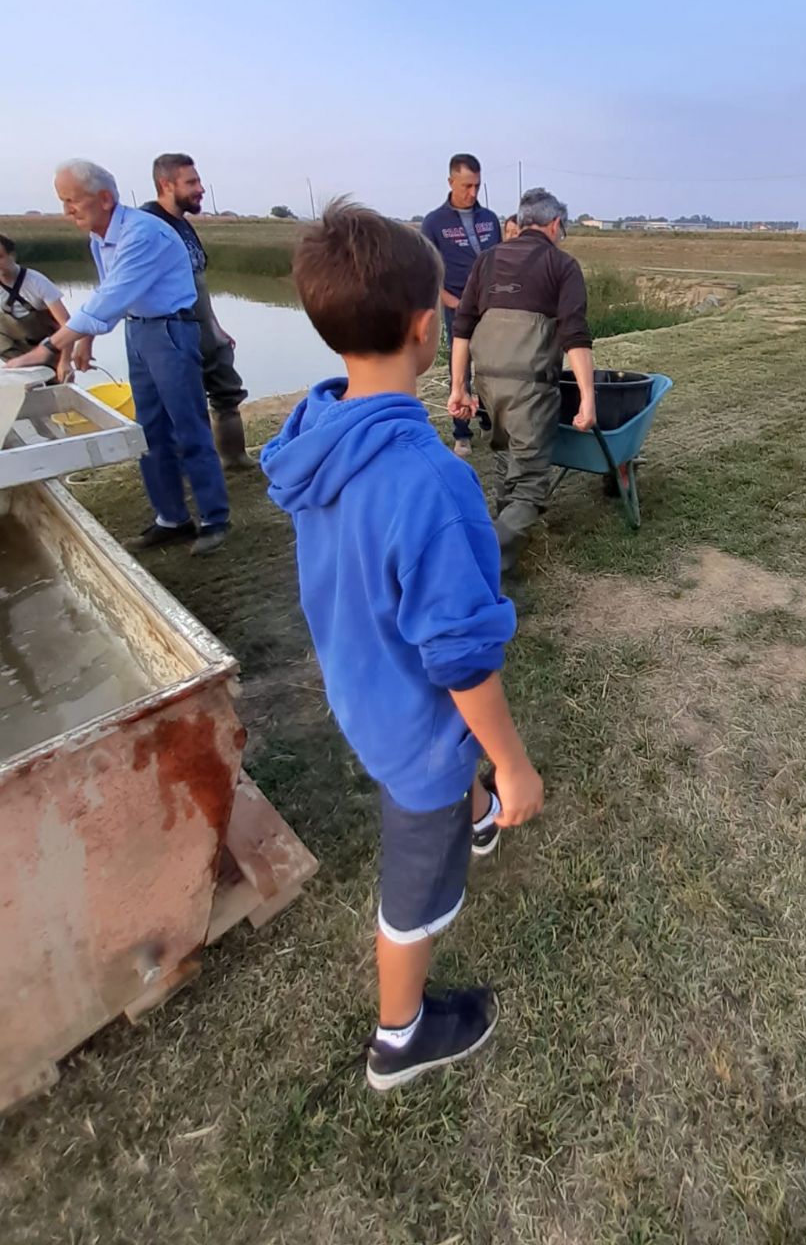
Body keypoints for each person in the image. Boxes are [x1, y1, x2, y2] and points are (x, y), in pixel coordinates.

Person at [261, 201, 543, 1091]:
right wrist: (512, 765)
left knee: (445, 780)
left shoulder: (318, 435)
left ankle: (474, 812)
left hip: (361, 685)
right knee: (413, 895)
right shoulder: (431, 479)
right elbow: (460, 656)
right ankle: (400, 1036)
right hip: (414, 734)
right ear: (428, 329)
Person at [4, 161, 230, 556]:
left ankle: (215, 519)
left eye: (72, 201)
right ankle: (172, 519)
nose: (67, 211)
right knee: (150, 429)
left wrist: (49, 347)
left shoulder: (143, 234)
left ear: (105, 198)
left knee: (188, 426)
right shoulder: (102, 237)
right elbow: (109, 292)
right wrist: (85, 341)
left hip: (170, 331)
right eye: (63, 201)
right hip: (139, 330)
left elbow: (111, 297)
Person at [450, 187, 596, 575]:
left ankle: (503, 549)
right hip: (530, 384)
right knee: (531, 482)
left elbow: (462, 328)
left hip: (487, 381)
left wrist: (459, 387)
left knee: (504, 456)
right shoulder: (562, 265)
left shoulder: (487, 260)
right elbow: (574, 335)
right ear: (556, 224)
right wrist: (587, 398)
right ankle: (482, 565)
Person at [143, 154, 252, 469]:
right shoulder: (148, 226)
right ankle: (189, 470)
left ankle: (234, 458)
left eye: (198, 181)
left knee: (227, 394)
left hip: (204, 330)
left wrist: (215, 327)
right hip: (174, 335)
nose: (201, 189)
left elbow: (198, 284)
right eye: (191, 182)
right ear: (166, 185)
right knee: (182, 409)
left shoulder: (183, 224)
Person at [421, 155, 501, 458]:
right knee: (460, 372)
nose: (472, 192)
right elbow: (427, 272)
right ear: (451, 182)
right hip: (457, 307)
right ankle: (462, 433)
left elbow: (500, 261)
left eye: (477, 185)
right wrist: (451, 301)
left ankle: (489, 421)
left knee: (491, 368)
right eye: (466, 186)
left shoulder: (489, 219)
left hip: (490, 307)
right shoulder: (434, 223)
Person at [0, 235, 70, 364]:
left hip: (48, 348)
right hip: (15, 348)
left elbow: (67, 324)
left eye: (0, 257)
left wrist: (65, 362)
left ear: (12, 256)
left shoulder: (37, 281)